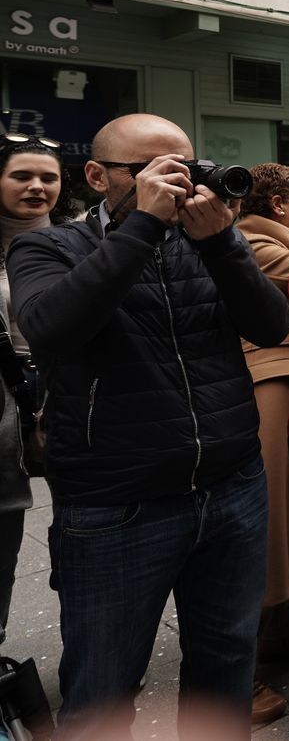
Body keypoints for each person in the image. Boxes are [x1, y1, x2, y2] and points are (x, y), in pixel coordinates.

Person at [9, 114, 289, 739]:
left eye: (185, 168)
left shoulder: (211, 239)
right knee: (104, 688)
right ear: (96, 176)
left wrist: (221, 244)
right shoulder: (49, 247)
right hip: (117, 504)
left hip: (231, 486)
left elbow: (273, 326)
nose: (175, 183)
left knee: (225, 668)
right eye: (149, 172)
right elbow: (51, 329)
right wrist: (141, 225)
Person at [234, 163, 289, 726]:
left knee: (288, 522)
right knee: (268, 528)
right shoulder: (257, 244)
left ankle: (284, 632)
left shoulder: (275, 240)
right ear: (279, 205)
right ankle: (238, 672)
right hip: (267, 389)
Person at [0, 137, 60, 658]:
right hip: (4, 400)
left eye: (49, 177)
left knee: (81, 530)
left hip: (62, 390)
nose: (37, 186)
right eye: (22, 175)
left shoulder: (78, 240)